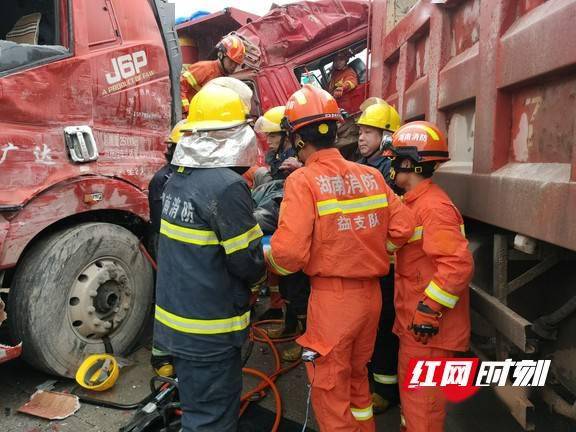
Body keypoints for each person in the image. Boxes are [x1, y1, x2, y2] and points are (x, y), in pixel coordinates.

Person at [265, 84, 416, 431]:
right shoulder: (372, 175)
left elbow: (288, 255)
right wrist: (373, 251)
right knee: (357, 380)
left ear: (298, 139)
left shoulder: (303, 181)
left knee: (330, 389)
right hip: (371, 298)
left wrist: (267, 265)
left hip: (334, 303)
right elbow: (404, 227)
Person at [154, 82, 265, 432]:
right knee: (212, 419)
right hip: (210, 331)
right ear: (232, 135)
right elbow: (247, 261)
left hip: (177, 325)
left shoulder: (177, 180)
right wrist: (265, 273)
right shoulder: (228, 187)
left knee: (197, 408)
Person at [388, 121, 474, 432]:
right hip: (417, 328)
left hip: (429, 331)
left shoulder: (433, 208)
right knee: (414, 408)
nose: (390, 166)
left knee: (423, 412)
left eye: (394, 159)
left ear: (409, 163)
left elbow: (457, 264)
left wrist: (428, 310)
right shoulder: (415, 203)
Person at [356, 99, 402, 413]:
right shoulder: (372, 166)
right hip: (374, 262)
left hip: (388, 265)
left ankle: (387, 392)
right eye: (360, 131)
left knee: (385, 326)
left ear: (386, 137)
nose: (360, 138)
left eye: (369, 132)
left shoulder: (387, 169)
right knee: (375, 325)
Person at [253, 106, 309, 362]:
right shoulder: (275, 156)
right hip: (281, 227)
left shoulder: (297, 156)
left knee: (298, 287)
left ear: (287, 134)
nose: (270, 140)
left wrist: (299, 167)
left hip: (294, 227)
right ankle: (288, 326)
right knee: (286, 283)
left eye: (275, 135)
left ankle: (305, 337)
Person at [147, 120, 186, 377]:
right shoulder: (165, 178)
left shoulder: (184, 174)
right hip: (169, 242)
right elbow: (164, 222)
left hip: (180, 245)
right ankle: (161, 354)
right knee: (169, 297)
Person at [180, 34, 245, 114]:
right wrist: (186, 111)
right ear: (221, 55)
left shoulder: (225, 78)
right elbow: (180, 86)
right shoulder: (203, 68)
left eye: (236, 64)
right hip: (191, 118)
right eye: (231, 61)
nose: (233, 66)